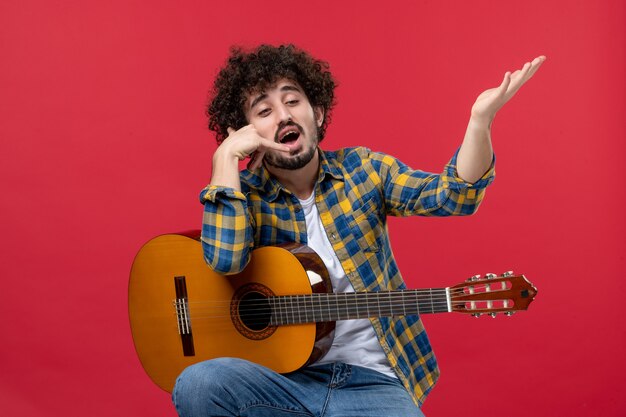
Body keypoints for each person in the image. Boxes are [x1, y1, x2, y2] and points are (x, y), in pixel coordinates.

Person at [173, 44, 545, 417]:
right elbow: (224, 260)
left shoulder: (363, 170)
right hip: (283, 383)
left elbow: (454, 196)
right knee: (198, 382)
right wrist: (225, 158)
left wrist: (480, 122)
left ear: (317, 113)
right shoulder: (243, 197)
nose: (283, 116)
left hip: (373, 382)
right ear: (245, 132)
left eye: (293, 101)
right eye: (264, 111)